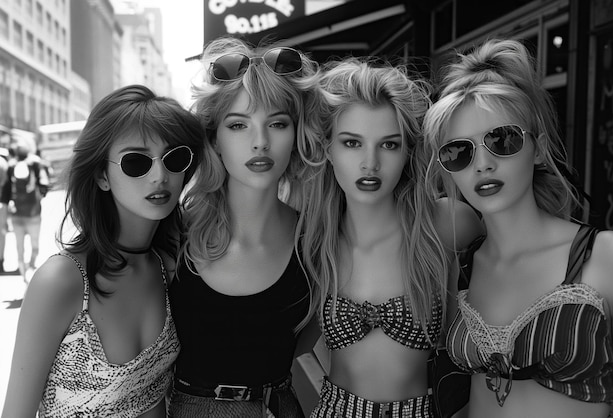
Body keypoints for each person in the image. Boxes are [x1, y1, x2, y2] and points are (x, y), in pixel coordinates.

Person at [423, 38, 613, 418]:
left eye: (501, 140)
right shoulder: (462, 263)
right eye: (459, 152)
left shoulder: (610, 257)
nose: (482, 164)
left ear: (540, 148)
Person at [1, 84, 203, 417]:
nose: (160, 176)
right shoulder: (61, 281)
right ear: (101, 175)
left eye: (174, 158)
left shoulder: (169, 264)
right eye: (137, 162)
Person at [296, 58, 483, 418]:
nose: (371, 163)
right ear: (327, 149)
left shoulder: (445, 224)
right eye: (352, 143)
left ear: (408, 151)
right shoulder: (314, 241)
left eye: (389, 145)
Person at [168, 37, 319, 417]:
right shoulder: (173, 237)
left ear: (297, 133)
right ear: (214, 138)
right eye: (238, 125)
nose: (261, 142)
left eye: (278, 123)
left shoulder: (317, 242)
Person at [6, 139, 49, 279]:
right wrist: (40, 195)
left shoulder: (11, 165)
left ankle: (23, 270)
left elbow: (6, 188)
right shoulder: (35, 162)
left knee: (19, 247)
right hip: (33, 212)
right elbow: (44, 182)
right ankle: (31, 268)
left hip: (16, 213)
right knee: (35, 244)